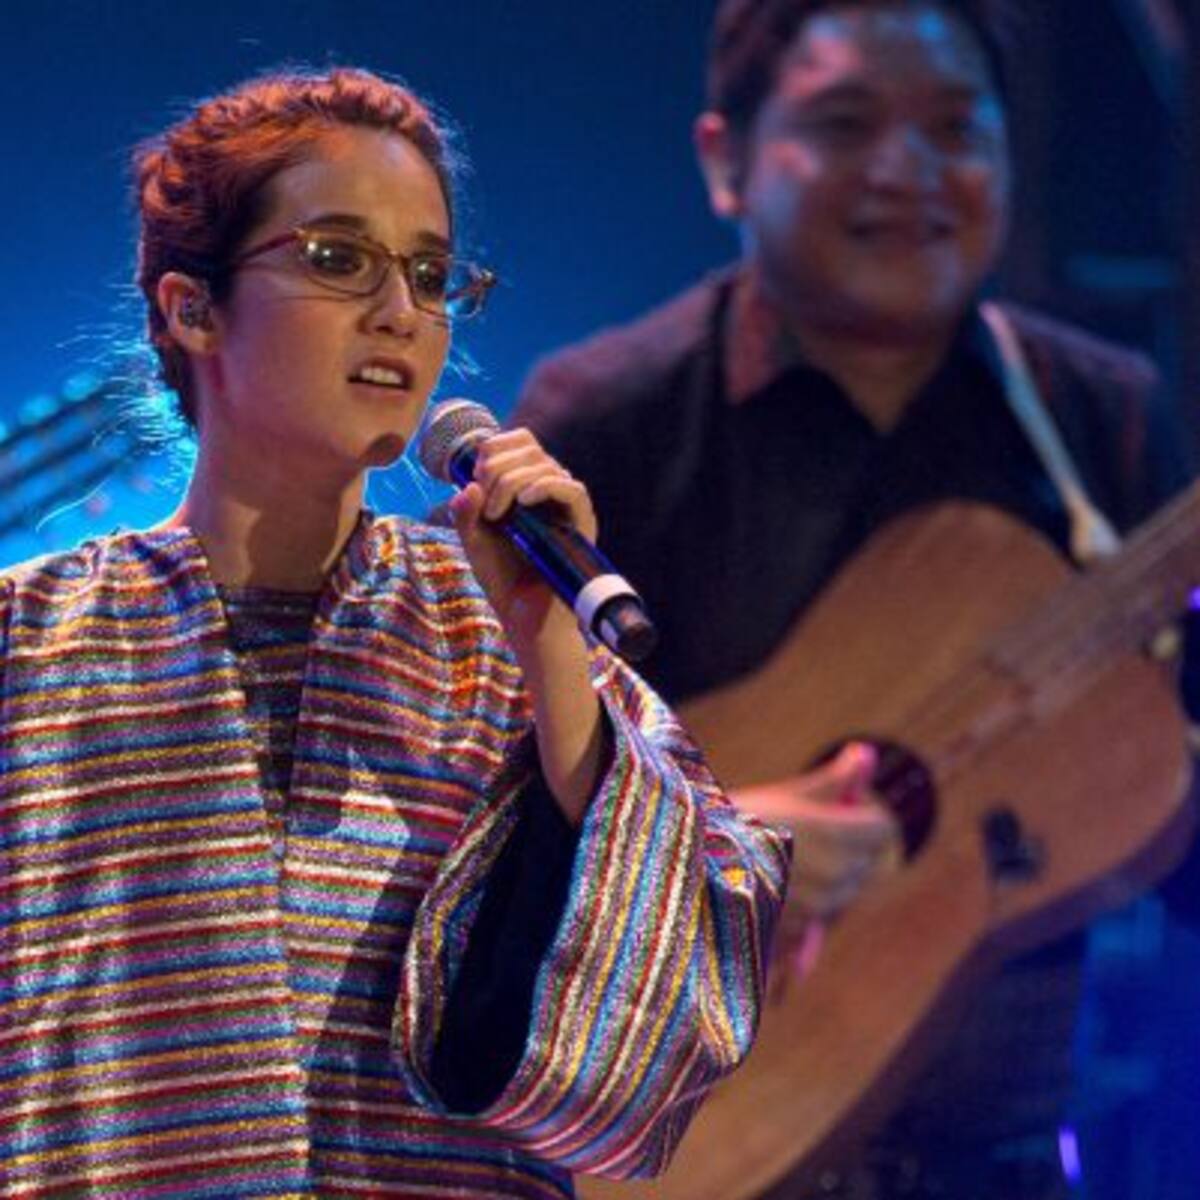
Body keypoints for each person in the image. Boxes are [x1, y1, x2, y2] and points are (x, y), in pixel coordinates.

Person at [0, 67, 791, 1200]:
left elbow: (662, 1041)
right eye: (337, 259)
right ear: (193, 308)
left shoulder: (504, 633)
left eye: (428, 274)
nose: (399, 312)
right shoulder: (27, 643)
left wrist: (552, 654)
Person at [512, 2, 1199, 1197]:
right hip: (690, 1154)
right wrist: (703, 849)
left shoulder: (1102, 416)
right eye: (845, 123)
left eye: (956, 129)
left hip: (1007, 1166)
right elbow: (458, 813)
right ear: (726, 160)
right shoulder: (608, 422)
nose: (908, 169)